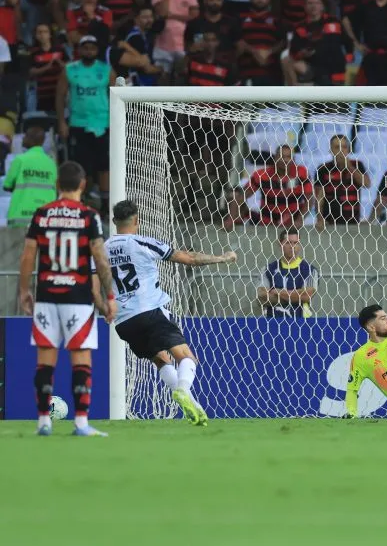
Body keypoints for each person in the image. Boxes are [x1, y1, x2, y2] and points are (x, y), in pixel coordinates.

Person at [106, 199, 237, 426]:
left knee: (161, 359)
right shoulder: (143, 243)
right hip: (148, 311)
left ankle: (193, 407)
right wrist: (222, 258)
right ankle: (184, 390)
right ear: (137, 220)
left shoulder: (102, 249)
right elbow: (190, 259)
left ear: (113, 221)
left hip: (123, 321)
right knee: (187, 357)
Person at [18, 160, 115, 437]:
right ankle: (81, 423)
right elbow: (100, 259)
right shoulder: (89, 216)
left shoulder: (41, 214)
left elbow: (27, 256)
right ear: (83, 184)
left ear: (57, 185)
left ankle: (43, 422)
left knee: (45, 361)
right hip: (78, 296)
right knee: (80, 358)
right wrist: (109, 296)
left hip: (47, 295)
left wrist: (25, 291)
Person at [56, 36, 116, 211]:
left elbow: (116, 97)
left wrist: (115, 122)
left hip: (102, 124)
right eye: (85, 48)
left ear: (97, 51)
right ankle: (82, 201)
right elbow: (60, 96)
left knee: (104, 165)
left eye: (92, 48)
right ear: (79, 50)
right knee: (82, 167)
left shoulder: (106, 70)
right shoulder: (70, 69)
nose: (88, 51)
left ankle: (105, 205)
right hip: (78, 123)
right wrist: (62, 122)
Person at [285, 0, 349, 86]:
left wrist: (348, 56)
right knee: (286, 60)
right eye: (310, 3)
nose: (313, 6)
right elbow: (293, 52)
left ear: (322, 6)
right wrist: (302, 53)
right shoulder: (299, 28)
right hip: (313, 69)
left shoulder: (334, 22)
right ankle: (294, 94)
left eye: (317, 3)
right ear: (305, 7)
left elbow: (348, 42)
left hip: (335, 70)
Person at [3, 119, 57, 227]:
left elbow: (7, 185)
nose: (23, 138)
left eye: (26, 136)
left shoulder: (20, 160)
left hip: (20, 218)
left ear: (31, 139)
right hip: (45, 218)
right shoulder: (51, 163)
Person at [244, 144, 312, 227]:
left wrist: (299, 220)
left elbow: (310, 199)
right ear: (275, 158)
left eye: (288, 157)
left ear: (293, 159)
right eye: (282, 157)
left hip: (292, 222)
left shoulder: (301, 172)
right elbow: (242, 195)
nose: (285, 160)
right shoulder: (261, 175)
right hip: (267, 222)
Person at [258, 228, 319, 318]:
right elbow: (262, 296)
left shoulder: (310, 270)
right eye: (288, 243)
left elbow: (306, 296)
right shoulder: (268, 269)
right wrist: (295, 297)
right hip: (272, 323)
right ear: (280, 244)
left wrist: (277, 292)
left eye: (296, 243)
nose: (292, 246)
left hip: (301, 323)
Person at [152, 0, 199, 72]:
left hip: (183, 44)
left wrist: (172, 15)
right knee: (162, 80)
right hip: (162, 45)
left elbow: (194, 16)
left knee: (182, 76)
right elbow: (163, 13)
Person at [315, 134, 370, 227]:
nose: (341, 150)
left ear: (348, 150)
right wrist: (319, 218)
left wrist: (349, 166)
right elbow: (319, 197)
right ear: (331, 150)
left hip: (353, 223)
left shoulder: (357, 165)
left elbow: (366, 184)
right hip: (329, 223)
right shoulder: (323, 169)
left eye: (344, 147)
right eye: (337, 147)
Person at [237, 0, 287, 86]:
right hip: (246, 70)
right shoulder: (240, 18)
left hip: (271, 71)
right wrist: (254, 52)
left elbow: (283, 42)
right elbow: (236, 40)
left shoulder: (277, 19)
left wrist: (269, 52)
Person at [26, 22, 66, 112]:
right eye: (39, 32)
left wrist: (60, 63)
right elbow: (31, 72)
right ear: (36, 35)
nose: (42, 34)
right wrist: (46, 68)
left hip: (59, 92)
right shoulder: (33, 52)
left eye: (45, 32)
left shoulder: (60, 49)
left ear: (50, 34)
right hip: (42, 93)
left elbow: (69, 66)